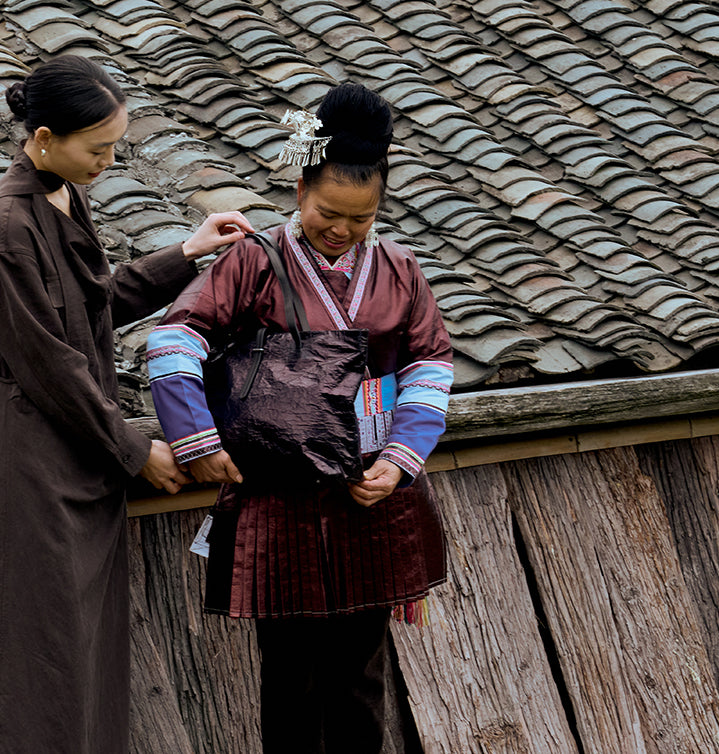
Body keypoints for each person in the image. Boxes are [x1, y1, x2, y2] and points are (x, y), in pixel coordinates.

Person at [0, 55, 253, 754]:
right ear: (43, 138)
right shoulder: (5, 225)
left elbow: (94, 307)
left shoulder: (62, 193)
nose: (109, 161)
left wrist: (188, 252)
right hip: (31, 460)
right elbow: (47, 363)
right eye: (98, 147)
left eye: (114, 146)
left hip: (78, 449)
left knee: (81, 646)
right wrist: (136, 449)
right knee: (27, 650)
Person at [146, 83, 452, 753]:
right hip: (277, 496)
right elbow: (174, 341)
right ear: (299, 190)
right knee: (290, 676)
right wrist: (196, 438)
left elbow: (429, 366)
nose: (340, 229)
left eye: (360, 217)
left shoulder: (402, 272)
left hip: (366, 492)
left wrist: (398, 462)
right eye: (326, 211)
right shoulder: (253, 262)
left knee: (358, 675)